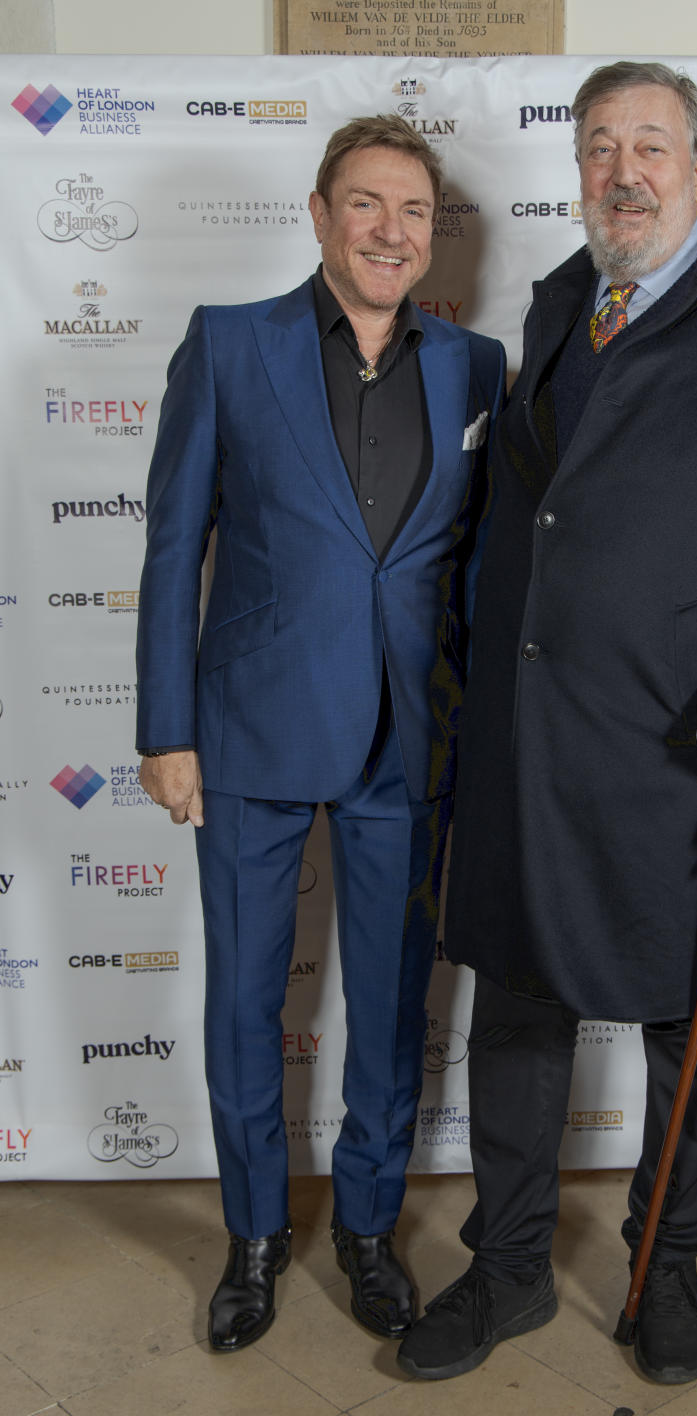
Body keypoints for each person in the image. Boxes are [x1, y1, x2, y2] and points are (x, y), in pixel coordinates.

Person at [397, 62, 697, 1386]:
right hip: (531, 740)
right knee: (522, 1005)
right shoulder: (560, 303)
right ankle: (509, 1270)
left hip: (694, 760)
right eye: (600, 146)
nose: (623, 171)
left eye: (650, 145)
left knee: (692, 1021)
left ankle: (668, 1268)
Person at [136, 114, 505, 1353]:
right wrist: (165, 727)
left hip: (411, 738)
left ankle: (364, 1227)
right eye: (366, 204)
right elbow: (170, 549)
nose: (390, 230)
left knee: (394, 1004)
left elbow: (469, 570)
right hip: (244, 730)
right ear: (319, 213)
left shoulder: (475, 367)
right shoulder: (231, 346)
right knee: (246, 1000)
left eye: (412, 211)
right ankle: (250, 1239)